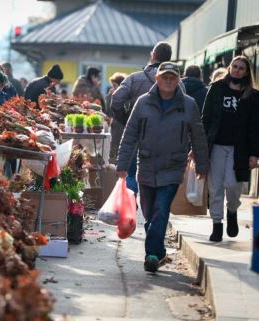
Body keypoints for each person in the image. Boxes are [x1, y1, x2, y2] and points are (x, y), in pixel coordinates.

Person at [116, 62, 209, 273]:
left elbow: (198, 136)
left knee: (161, 209)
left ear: (178, 80)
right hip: (147, 165)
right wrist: (122, 165)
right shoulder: (143, 102)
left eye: (172, 78)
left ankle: (151, 255)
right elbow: (130, 135)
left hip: (174, 166)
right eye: (164, 77)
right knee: (150, 214)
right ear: (156, 79)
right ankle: (159, 251)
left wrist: (202, 164)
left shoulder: (188, 104)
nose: (168, 81)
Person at [202, 56, 259, 242]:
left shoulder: (253, 95)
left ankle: (232, 210)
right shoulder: (217, 88)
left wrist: (254, 153)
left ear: (246, 72)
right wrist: (200, 146)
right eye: (234, 66)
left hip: (240, 148)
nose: (237, 70)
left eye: (241, 68)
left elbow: (255, 126)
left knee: (233, 185)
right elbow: (206, 118)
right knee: (215, 186)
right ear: (229, 67)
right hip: (217, 145)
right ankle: (217, 224)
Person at [111, 41, 174, 196]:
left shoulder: (134, 78)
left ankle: (132, 206)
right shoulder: (176, 83)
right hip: (165, 136)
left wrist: (126, 119)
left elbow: (116, 99)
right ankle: (154, 213)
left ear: (153, 55)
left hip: (137, 131)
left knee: (131, 173)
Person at [105, 72, 126, 161]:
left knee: (118, 146)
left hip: (120, 125)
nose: (112, 88)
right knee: (114, 145)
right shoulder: (113, 94)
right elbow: (108, 110)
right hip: (115, 125)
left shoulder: (125, 95)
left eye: (114, 86)